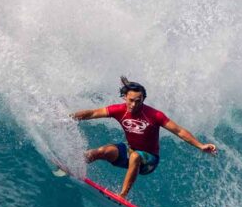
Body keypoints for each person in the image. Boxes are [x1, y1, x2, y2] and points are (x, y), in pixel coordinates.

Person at [71, 77, 218, 199]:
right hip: (130, 150)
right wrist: (68, 119)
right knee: (101, 151)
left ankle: (122, 195)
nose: (134, 104)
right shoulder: (119, 110)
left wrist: (200, 145)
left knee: (135, 156)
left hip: (149, 160)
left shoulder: (155, 115)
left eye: (138, 101)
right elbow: (91, 113)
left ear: (143, 99)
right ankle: (72, 165)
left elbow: (179, 131)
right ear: (125, 97)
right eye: (131, 100)